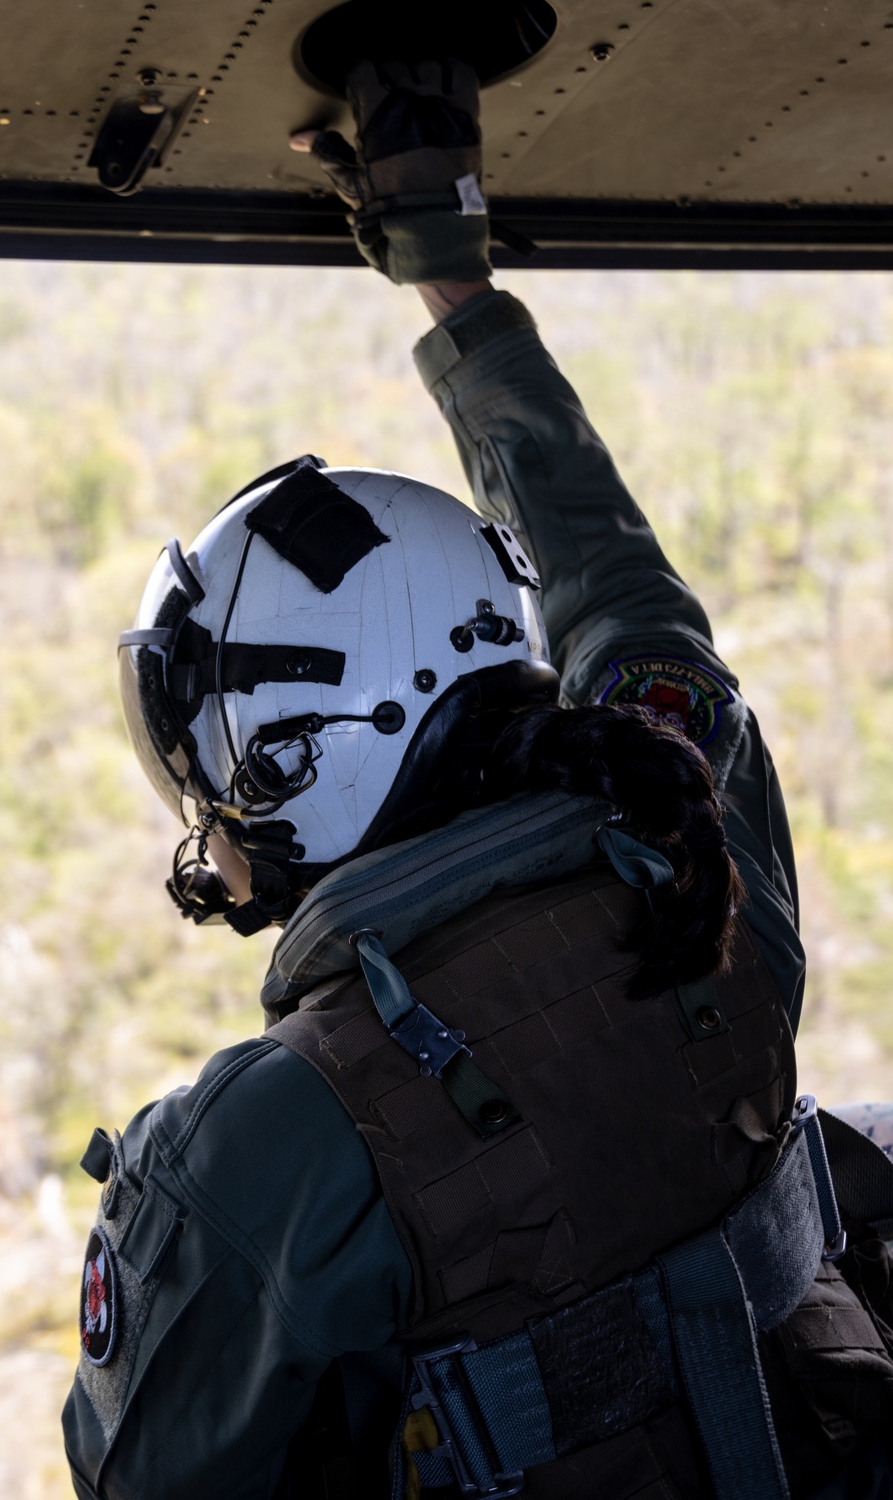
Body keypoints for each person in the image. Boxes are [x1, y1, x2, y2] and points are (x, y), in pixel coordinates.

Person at [63, 60, 893, 1500]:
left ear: (304, 756)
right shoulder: (696, 834)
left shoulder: (268, 1141)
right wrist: (454, 280)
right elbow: (621, 588)